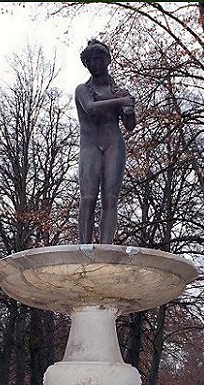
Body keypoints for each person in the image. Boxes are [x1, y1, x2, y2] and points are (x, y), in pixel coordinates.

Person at [75, 39, 136, 245]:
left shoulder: (118, 91)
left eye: (99, 59)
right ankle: (84, 246)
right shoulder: (82, 90)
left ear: (107, 61)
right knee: (88, 197)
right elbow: (91, 108)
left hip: (114, 144)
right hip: (90, 145)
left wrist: (129, 110)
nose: (95, 63)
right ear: (86, 63)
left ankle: (106, 247)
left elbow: (129, 125)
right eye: (91, 60)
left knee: (110, 198)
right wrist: (122, 102)